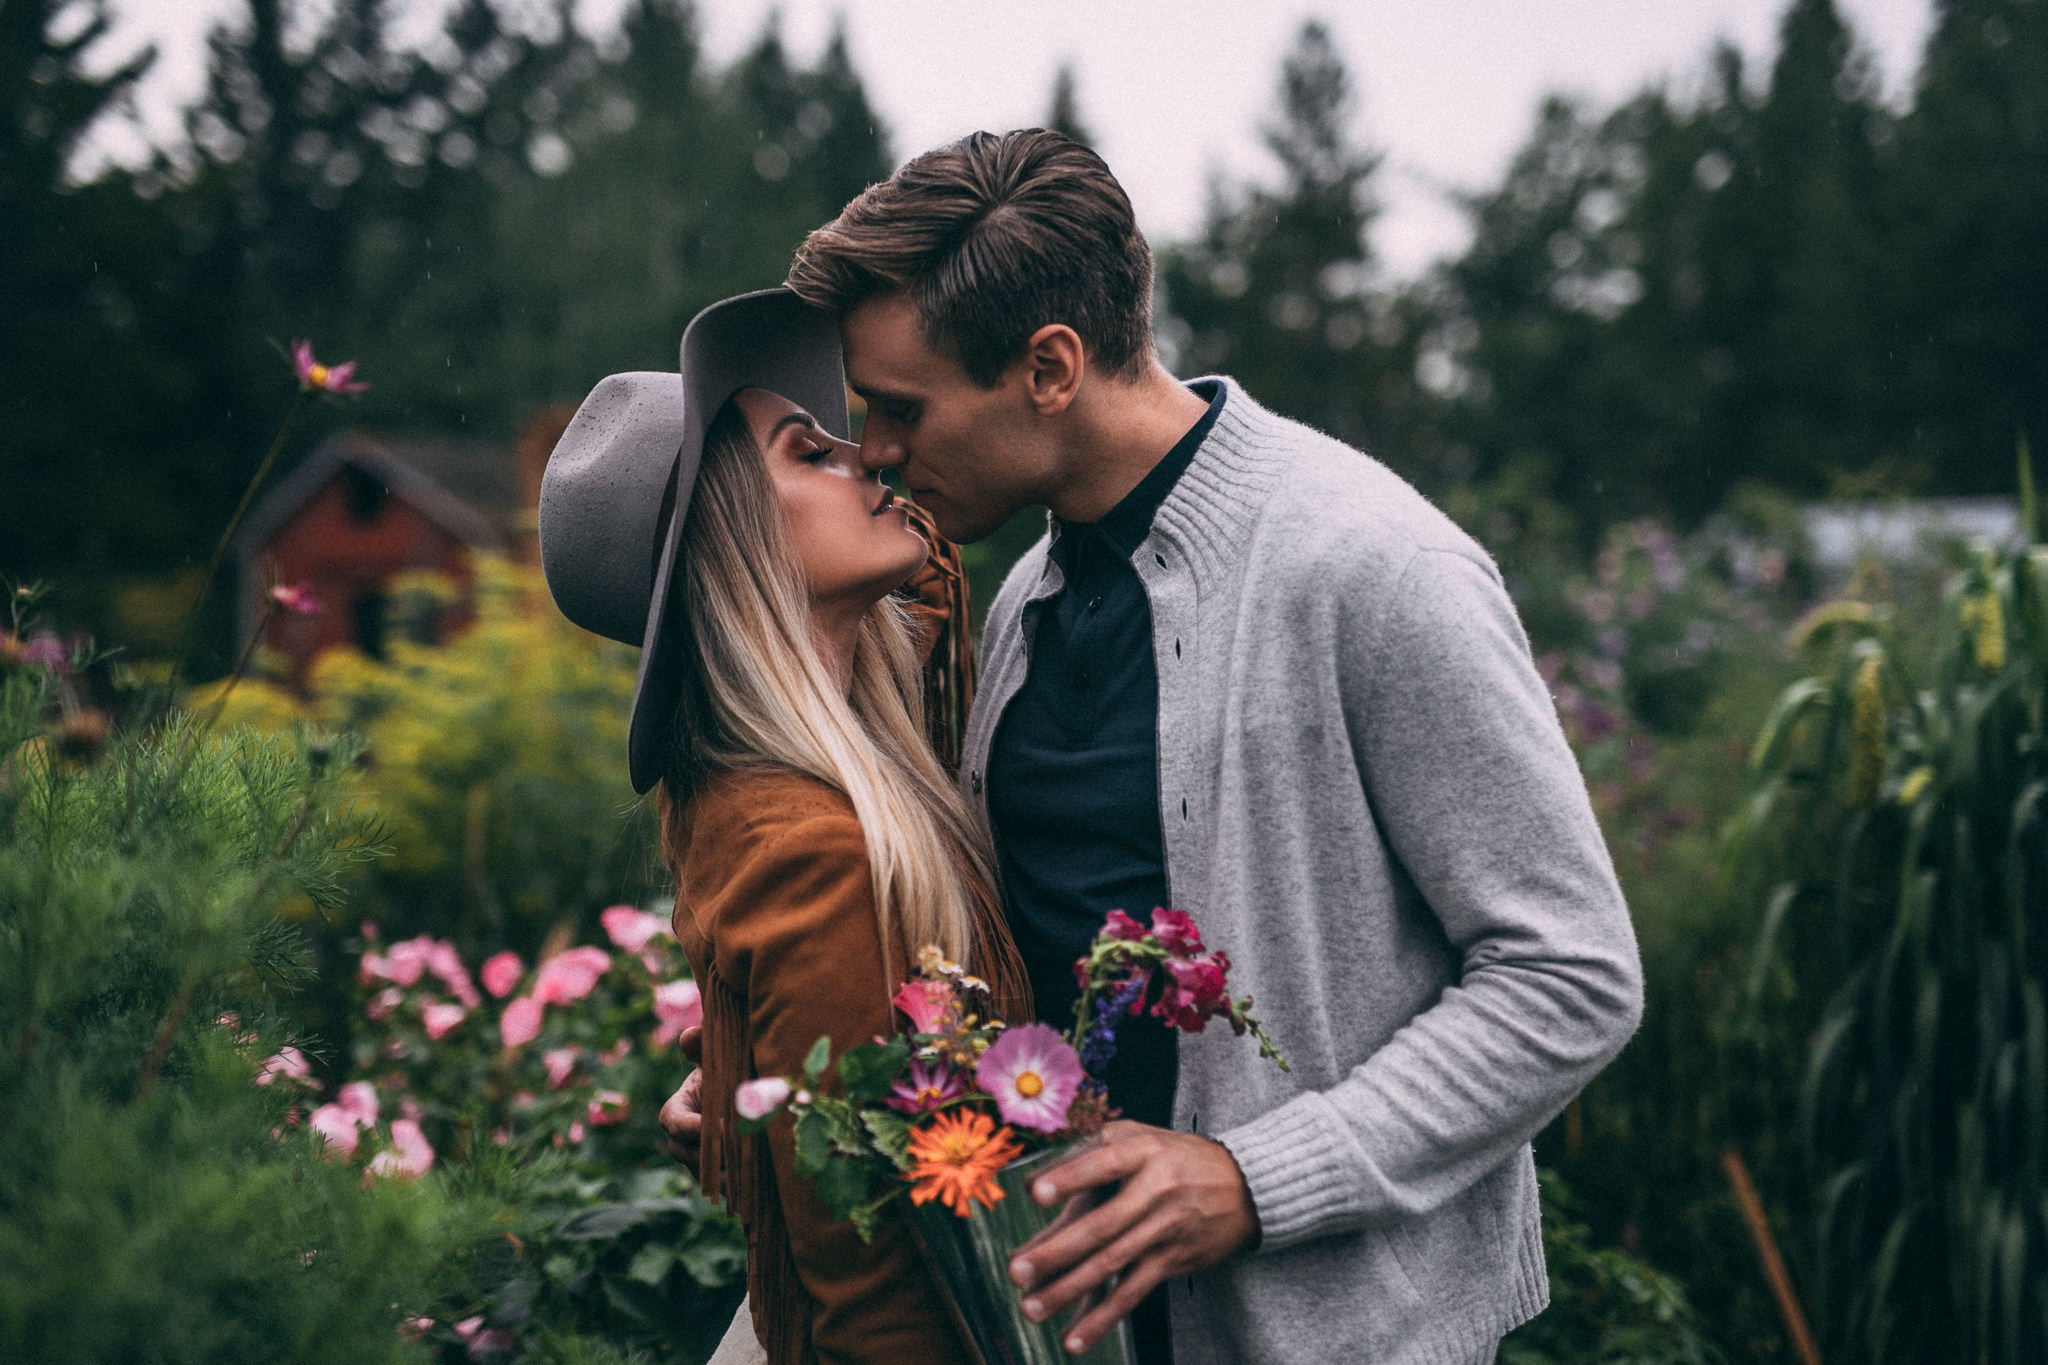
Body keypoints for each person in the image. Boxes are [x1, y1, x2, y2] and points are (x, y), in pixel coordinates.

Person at [765, 129, 1648, 1365]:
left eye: (900, 408)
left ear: (1050, 368)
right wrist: (788, 1092)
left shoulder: (1375, 568)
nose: (878, 450)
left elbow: (1571, 976)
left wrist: (1251, 1178)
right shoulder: (1024, 598)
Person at [537, 289, 1031, 1365]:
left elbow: (928, 585)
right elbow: (869, 1289)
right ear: (738, 547)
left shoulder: (776, 768)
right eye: (812, 452)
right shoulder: (814, 849)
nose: (870, 458)